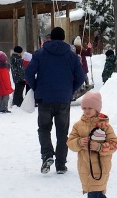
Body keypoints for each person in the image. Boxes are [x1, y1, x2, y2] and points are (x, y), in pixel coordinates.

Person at [25, 27, 85, 174]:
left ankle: (46, 155)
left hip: (44, 98)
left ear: (50, 37)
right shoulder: (71, 56)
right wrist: (70, 90)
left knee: (44, 128)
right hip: (63, 99)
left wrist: (35, 87)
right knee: (62, 132)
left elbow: (29, 73)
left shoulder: (40, 53)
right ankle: (61, 164)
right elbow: (81, 77)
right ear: (64, 38)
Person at [67, 92, 117, 198]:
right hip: (85, 168)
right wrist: (79, 142)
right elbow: (70, 143)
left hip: (101, 168)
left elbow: (114, 144)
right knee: (94, 193)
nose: (86, 111)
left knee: (95, 193)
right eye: (84, 108)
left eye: (90, 108)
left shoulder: (105, 126)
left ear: (97, 109)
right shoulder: (78, 125)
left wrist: (100, 147)